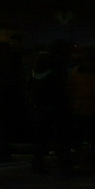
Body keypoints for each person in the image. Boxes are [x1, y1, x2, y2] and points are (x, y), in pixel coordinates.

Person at [27, 40, 73, 174]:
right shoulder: (58, 63)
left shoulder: (39, 63)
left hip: (40, 104)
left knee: (42, 136)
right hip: (56, 104)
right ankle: (63, 162)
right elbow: (61, 85)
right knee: (61, 135)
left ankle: (38, 162)